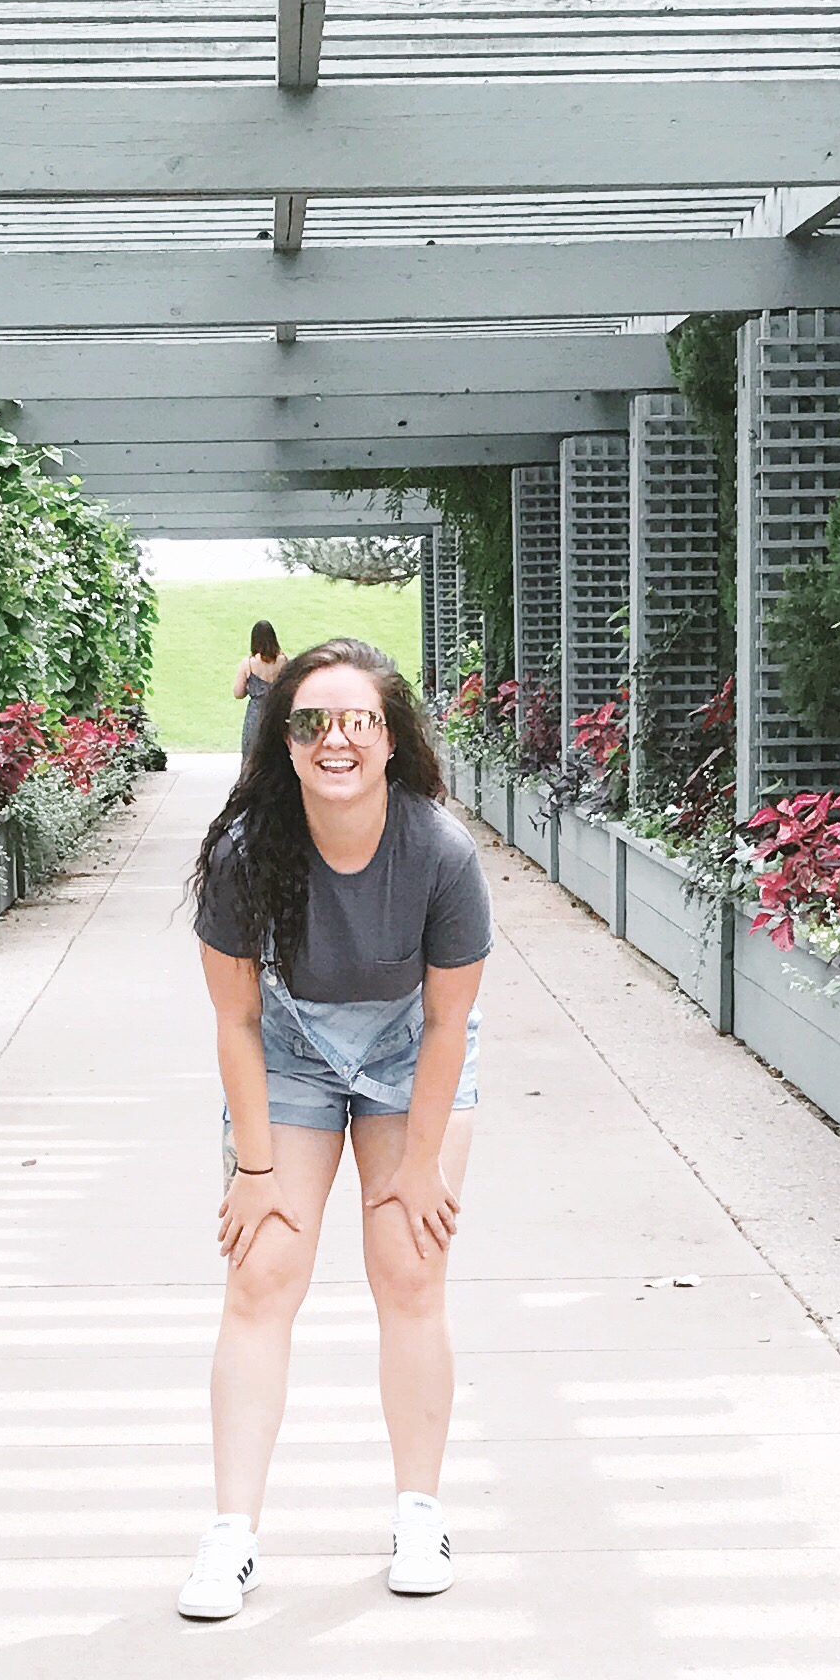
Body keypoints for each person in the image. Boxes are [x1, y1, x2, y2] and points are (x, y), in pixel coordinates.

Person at [182, 636, 490, 1621]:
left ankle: (420, 1514)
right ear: (285, 740)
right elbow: (235, 1021)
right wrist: (255, 1169)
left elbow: (447, 1021)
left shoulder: (440, 853)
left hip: (410, 1053)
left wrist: (421, 1164)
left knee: (411, 1267)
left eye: (359, 719)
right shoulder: (244, 854)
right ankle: (232, 1535)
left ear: (393, 738)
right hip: (289, 1049)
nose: (336, 740)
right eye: (311, 721)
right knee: (262, 1272)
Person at [231, 616, 282, 759]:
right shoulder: (283, 661)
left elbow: (238, 693)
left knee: (252, 756)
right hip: (276, 712)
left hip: (256, 715)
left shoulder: (248, 663)